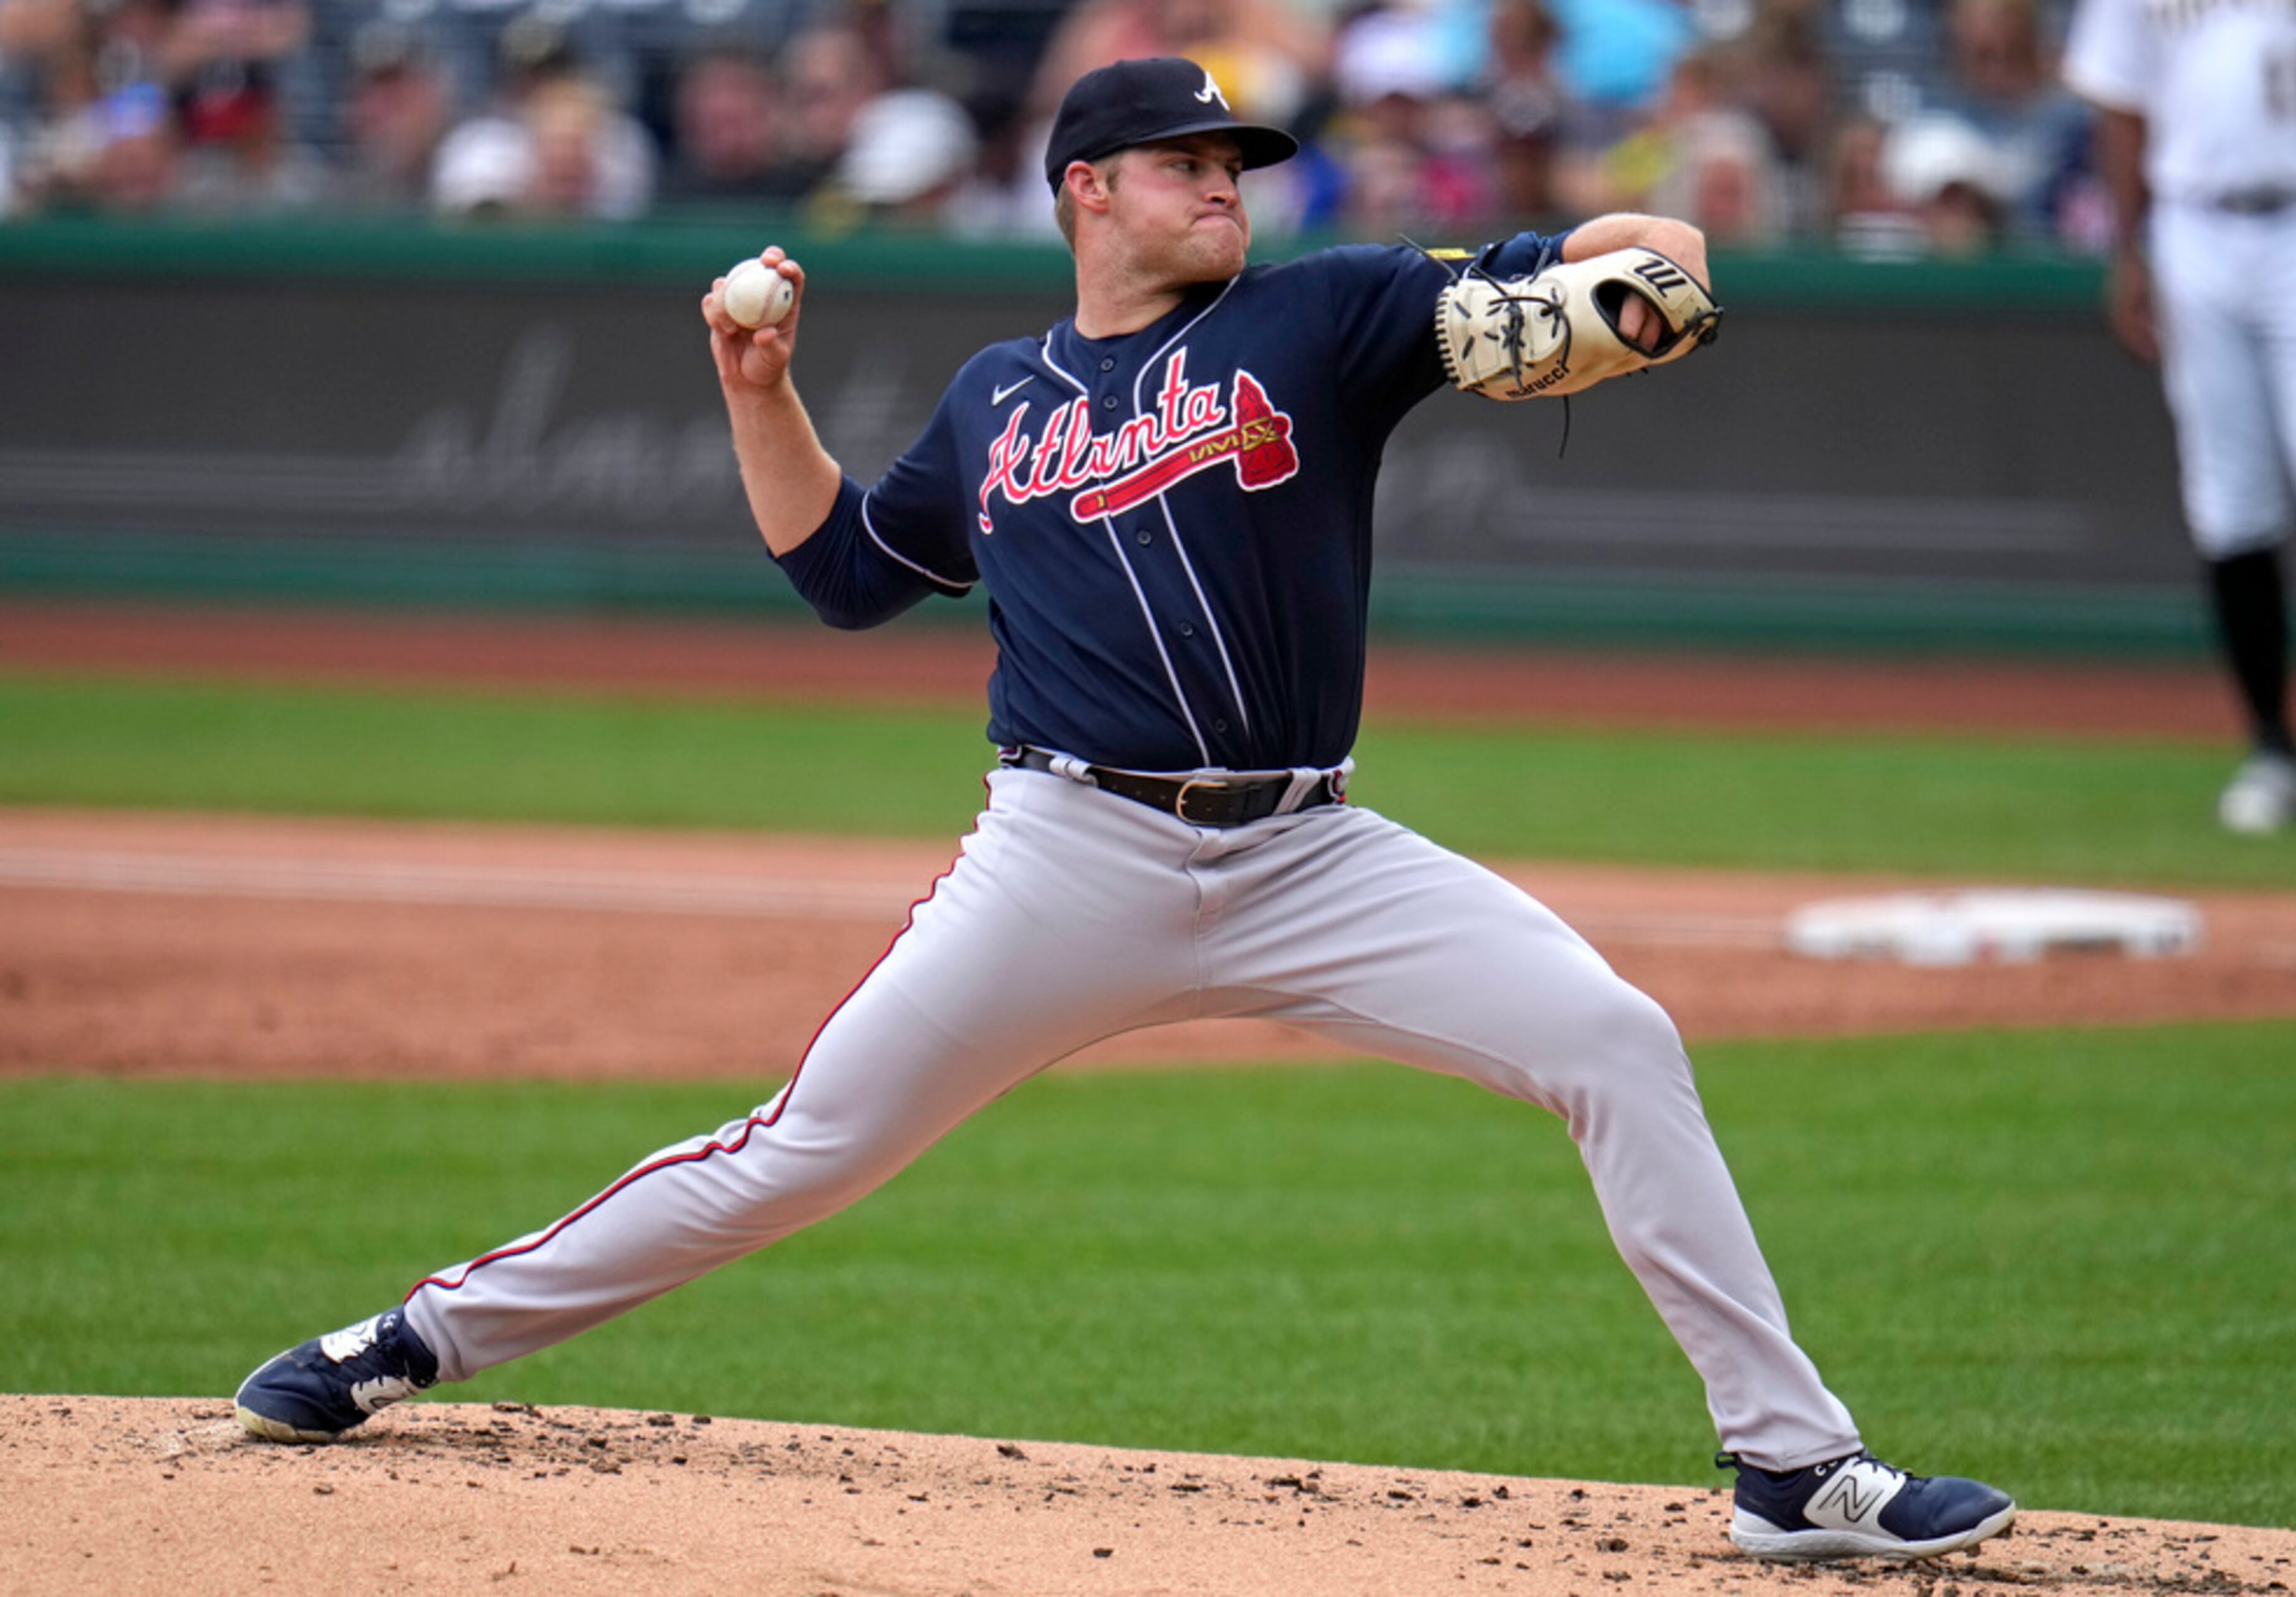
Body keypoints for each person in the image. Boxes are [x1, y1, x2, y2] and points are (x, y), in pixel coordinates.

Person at [232, 54, 2018, 1565]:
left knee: (1614, 1038)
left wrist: (1647, 270)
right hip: (1067, 857)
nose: (1227, 185)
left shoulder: (1334, 312)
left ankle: (1789, 1466)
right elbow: (854, 575)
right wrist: (754, 395)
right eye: (1189, 163)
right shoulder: (997, 399)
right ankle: (411, 1336)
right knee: (800, 1152)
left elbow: (1618, 266)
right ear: (1088, 188)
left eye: (1239, 162)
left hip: (1312, 851)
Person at [2063, 0, 2296, 836]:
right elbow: (2121, 98)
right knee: (2230, 496)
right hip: (2196, 222)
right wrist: (2127, 245)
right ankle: (2272, 749)